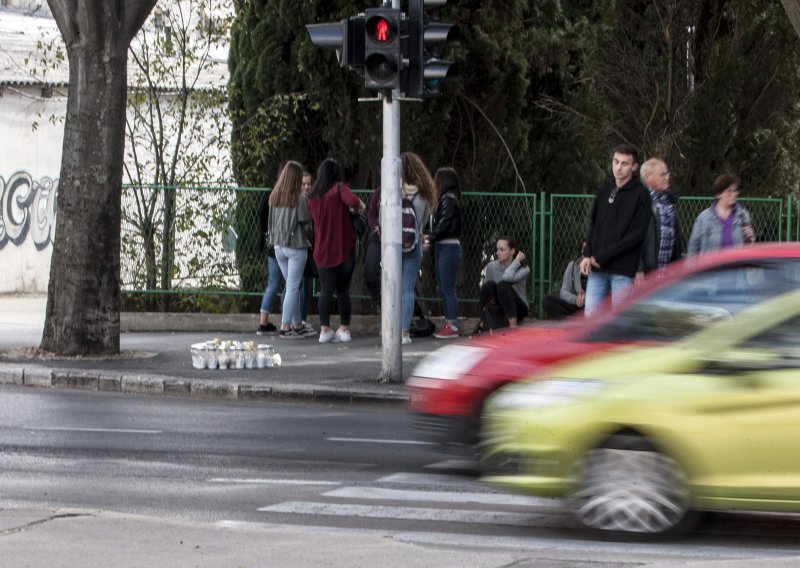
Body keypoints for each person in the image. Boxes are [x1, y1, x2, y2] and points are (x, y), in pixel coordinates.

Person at [581, 144, 651, 317]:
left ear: (634, 166)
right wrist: (587, 254)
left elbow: (636, 235)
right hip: (598, 268)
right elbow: (594, 224)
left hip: (622, 269)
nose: (618, 168)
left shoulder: (642, 195)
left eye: (624, 164)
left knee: (619, 322)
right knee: (591, 318)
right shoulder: (605, 189)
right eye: (616, 162)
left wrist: (602, 255)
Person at [307, 158, 366, 343]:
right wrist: (360, 207)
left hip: (321, 250)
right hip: (343, 248)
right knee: (343, 290)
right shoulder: (340, 189)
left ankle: (324, 330)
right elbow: (353, 201)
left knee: (325, 290)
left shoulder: (313, 197)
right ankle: (344, 329)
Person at [267, 160, 315, 339]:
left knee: (291, 286)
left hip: (278, 246)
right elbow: (306, 224)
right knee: (294, 286)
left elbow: (271, 222)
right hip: (296, 246)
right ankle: (286, 326)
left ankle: (296, 324)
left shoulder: (275, 196)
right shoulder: (300, 198)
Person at [399, 152, 434, 345]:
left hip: (394, 247)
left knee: (391, 288)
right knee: (407, 290)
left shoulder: (394, 192)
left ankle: (391, 328)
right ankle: (405, 331)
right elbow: (424, 221)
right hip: (414, 244)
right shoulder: (424, 195)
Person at [424, 167, 463, 339]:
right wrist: (431, 237)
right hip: (442, 246)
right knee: (443, 286)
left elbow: (444, 223)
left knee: (447, 287)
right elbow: (441, 224)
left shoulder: (448, 199)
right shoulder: (446, 199)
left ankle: (452, 325)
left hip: (448, 246)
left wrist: (429, 238)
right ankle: (449, 323)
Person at [637, 158, 683, 283]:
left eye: (667, 174)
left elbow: (675, 241)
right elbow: (633, 239)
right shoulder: (639, 202)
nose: (667, 178)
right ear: (647, 177)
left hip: (666, 275)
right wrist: (638, 269)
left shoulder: (668, 203)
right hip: (645, 276)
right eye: (662, 174)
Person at [687, 173, 755, 255]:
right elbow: (693, 248)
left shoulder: (743, 215)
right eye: (729, 191)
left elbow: (749, 246)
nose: (734, 194)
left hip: (737, 267)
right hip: (712, 267)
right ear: (718, 194)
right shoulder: (703, 218)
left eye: (735, 190)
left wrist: (750, 239)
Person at [478, 236, 530, 329]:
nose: (498, 253)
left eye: (502, 250)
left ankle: (513, 326)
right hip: (501, 305)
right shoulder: (491, 267)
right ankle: (482, 322)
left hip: (518, 308)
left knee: (503, 285)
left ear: (512, 251)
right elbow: (487, 290)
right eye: (497, 249)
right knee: (488, 285)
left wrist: (517, 260)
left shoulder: (523, 269)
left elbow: (506, 277)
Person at [256, 189, 283, 335]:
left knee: (272, 283)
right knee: (292, 285)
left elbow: (264, 219)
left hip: (272, 244)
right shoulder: (288, 196)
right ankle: (288, 322)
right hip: (287, 243)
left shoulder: (271, 195)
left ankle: (263, 321)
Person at [542, 242, 586, 319]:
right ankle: (571, 322)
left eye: (589, 248)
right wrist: (575, 300)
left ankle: (576, 322)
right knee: (547, 300)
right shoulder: (572, 266)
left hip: (591, 307)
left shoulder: (600, 268)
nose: (586, 251)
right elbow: (563, 292)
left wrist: (585, 299)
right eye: (584, 248)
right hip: (576, 305)